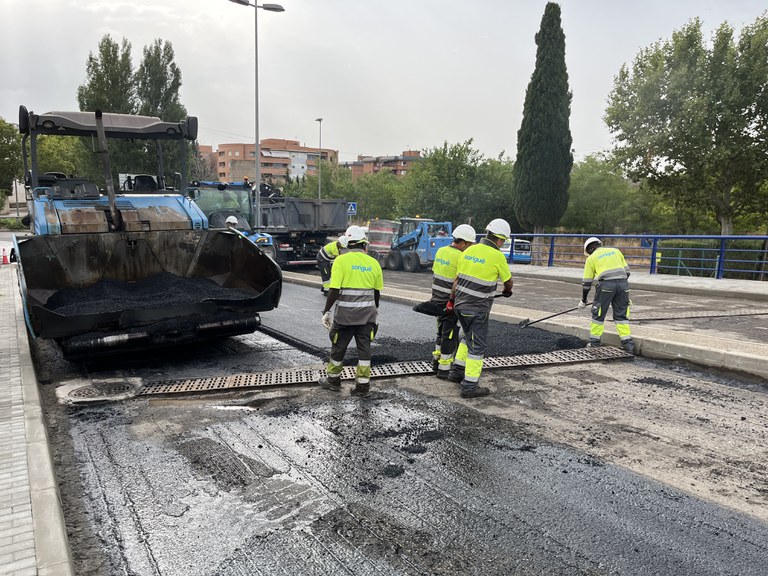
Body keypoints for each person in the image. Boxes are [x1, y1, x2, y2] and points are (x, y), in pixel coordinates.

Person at [445, 219, 514, 398]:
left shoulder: (469, 250)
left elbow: (457, 281)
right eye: (503, 241)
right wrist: (507, 291)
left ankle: (456, 372)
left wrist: (451, 301)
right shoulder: (497, 256)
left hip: (460, 305)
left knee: (466, 337)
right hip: (477, 309)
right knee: (477, 347)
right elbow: (508, 282)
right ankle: (470, 386)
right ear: (500, 240)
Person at [319, 225, 384, 398]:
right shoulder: (374, 263)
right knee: (364, 350)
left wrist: (326, 311)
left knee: (338, 347)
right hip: (367, 317)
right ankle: (362, 387)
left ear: (348, 244)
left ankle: (333, 381)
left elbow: (334, 290)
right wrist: (375, 311)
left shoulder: (341, 261)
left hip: (345, 317)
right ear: (364, 244)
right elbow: (376, 292)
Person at [429, 223, 476, 379]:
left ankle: (436, 362)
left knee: (440, 331)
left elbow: (436, 274)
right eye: (469, 244)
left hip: (436, 299)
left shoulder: (441, 251)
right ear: (462, 243)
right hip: (449, 301)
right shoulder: (461, 257)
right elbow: (457, 282)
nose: (470, 248)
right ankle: (444, 369)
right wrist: (451, 301)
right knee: (449, 334)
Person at [580, 237, 635, 354]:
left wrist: (584, 300)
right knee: (622, 315)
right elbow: (627, 272)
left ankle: (594, 343)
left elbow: (586, 283)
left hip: (606, 286)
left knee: (598, 313)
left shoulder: (591, 258)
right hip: (623, 285)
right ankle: (628, 344)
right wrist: (619, 288)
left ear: (591, 249)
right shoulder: (616, 251)